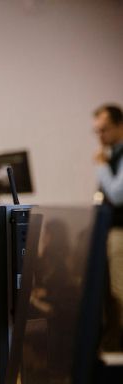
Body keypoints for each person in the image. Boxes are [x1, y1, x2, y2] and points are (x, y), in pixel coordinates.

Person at [94, 103, 123, 351]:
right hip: (109, 229)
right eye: (97, 132)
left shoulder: (112, 159)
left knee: (119, 289)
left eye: (104, 130)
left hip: (120, 231)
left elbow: (117, 194)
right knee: (110, 289)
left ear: (119, 125)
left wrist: (102, 166)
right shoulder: (112, 155)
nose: (100, 136)